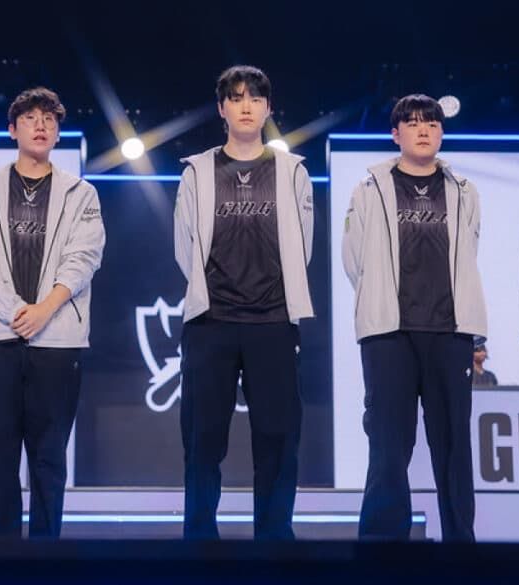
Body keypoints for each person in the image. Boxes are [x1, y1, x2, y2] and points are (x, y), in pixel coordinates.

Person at [174, 65, 314, 540]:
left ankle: (274, 543)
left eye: (255, 98)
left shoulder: (292, 171)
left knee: (277, 440)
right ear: (222, 109)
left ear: (268, 108)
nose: (246, 106)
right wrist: (210, 293)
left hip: (273, 321)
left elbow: (302, 245)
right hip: (210, 322)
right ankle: (199, 542)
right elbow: (184, 245)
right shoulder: (197, 171)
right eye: (236, 98)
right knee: (203, 440)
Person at [0, 87, 105, 539]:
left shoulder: (81, 193)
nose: (40, 126)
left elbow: (84, 257)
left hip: (56, 340)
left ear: (57, 133)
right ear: (12, 130)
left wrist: (45, 310)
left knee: (48, 458)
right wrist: (17, 311)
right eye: (30, 118)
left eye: (49, 120)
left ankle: (46, 557)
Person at [342, 94, 487, 541]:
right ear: (395, 134)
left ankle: (461, 547)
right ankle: (383, 550)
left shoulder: (464, 190)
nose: (423, 130)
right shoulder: (369, 188)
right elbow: (354, 259)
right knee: (388, 446)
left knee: (454, 447)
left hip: (450, 332)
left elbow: (469, 249)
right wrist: (380, 301)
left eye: (432, 124)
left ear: (441, 133)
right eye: (413, 123)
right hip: (390, 335)